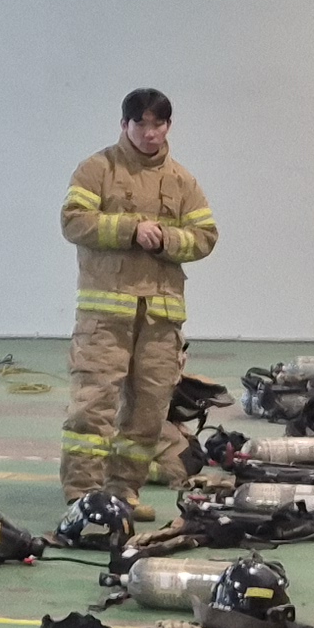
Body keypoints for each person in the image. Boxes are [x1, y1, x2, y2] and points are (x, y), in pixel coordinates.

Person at [59, 87, 215, 507]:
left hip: (160, 319)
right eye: (140, 124)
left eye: (157, 124)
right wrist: (131, 229)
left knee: (148, 414)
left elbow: (206, 236)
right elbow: (73, 222)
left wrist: (166, 239)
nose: (149, 133)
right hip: (105, 318)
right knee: (92, 409)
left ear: (168, 126)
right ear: (124, 125)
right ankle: (82, 499)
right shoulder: (97, 169)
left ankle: (122, 494)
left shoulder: (182, 181)